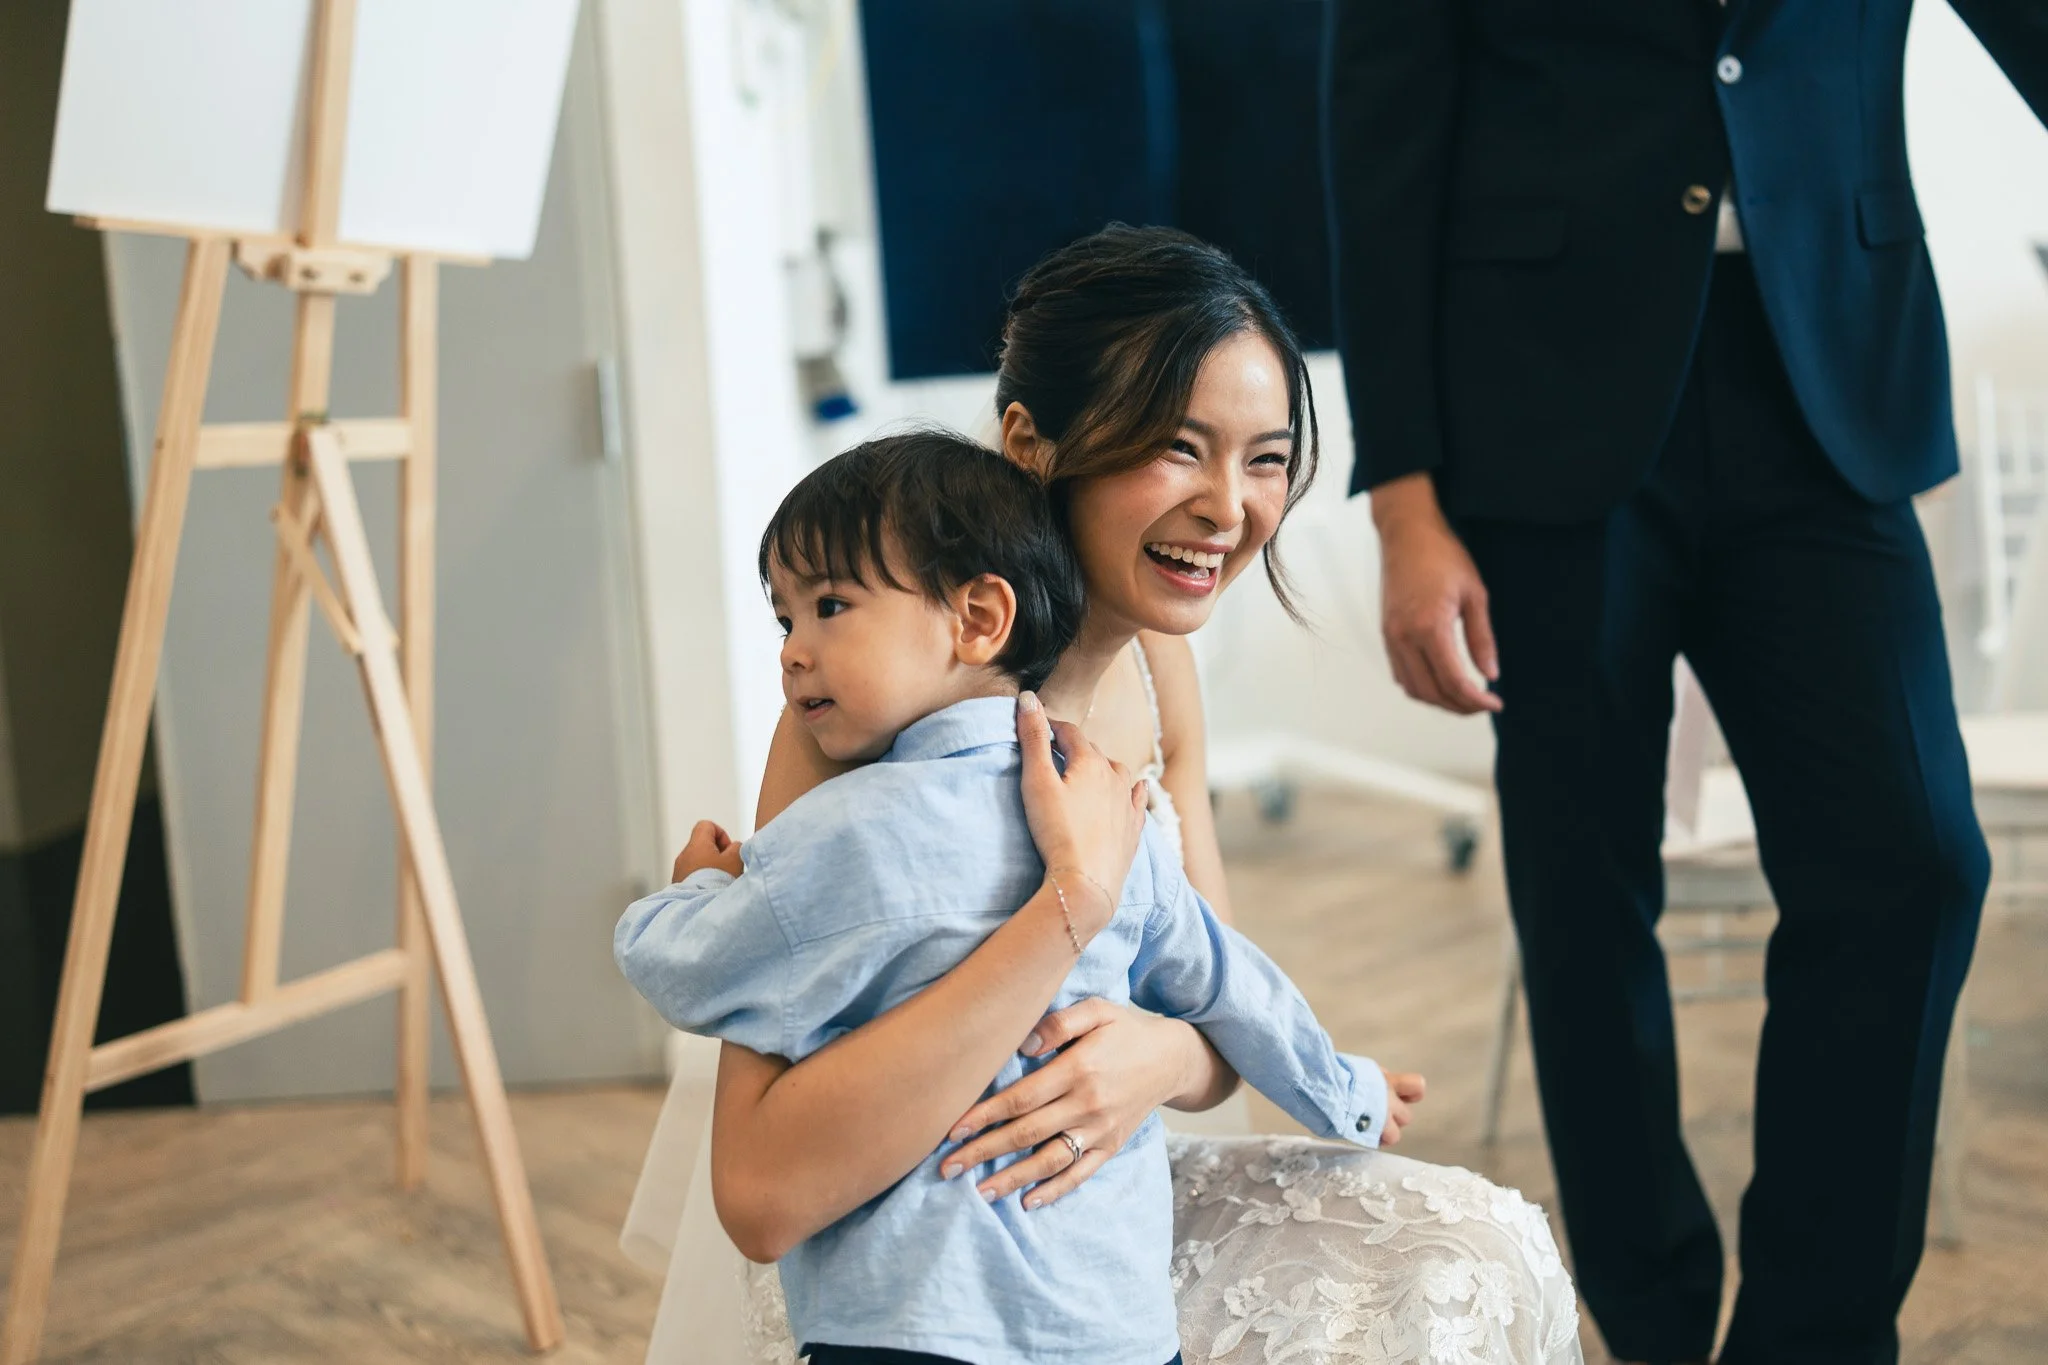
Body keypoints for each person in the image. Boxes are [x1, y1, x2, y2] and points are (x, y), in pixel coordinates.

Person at [623, 225, 1584, 1365]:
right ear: (1032, 443)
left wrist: (1161, 1060)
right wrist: (1063, 913)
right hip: (902, 1262)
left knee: (1475, 1247)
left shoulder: (1156, 668)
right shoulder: (856, 706)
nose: (1229, 509)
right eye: (1179, 448)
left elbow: (1212, 985)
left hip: (1092, 1217)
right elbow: (764, 1191)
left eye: (1265, 459)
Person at [1322, 5, 2048, 1363]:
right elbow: (1378, 146)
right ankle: (1648, 1319)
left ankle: (1811, 1336)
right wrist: (1403, 499)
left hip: (1825, 374)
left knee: (1915, 860)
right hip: (1539, 407)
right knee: (1585, 887)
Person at [620, 430, 1404, 1364]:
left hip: (908, 1323)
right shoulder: (1118, 808)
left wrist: (698, 889)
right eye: (786, 621)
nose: (794, 654)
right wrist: (1349, 1092)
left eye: (829, 606)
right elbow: (1236, 985)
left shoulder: (849, 831)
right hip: (1112, 1326)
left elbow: (677, 963)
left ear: (980, 615)